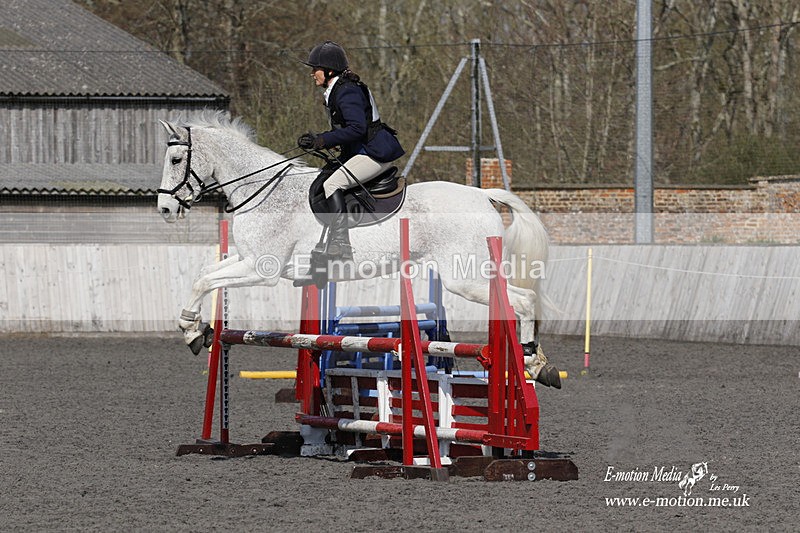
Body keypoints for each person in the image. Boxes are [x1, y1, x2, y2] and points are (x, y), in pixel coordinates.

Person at [298, 41, 405, 260]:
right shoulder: (339, 89)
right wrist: (318, 140)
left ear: (329, 70)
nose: (312, 74)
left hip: (374, 152)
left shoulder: (347, 91)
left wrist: (323, 140)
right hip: (362, 150)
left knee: (333, 183)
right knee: (326, 178)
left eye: (315, 69)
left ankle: (341, 244)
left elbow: (357, 129)